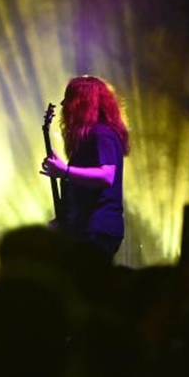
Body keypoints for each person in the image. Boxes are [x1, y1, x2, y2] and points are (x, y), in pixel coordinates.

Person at [41, 74, 130, 260]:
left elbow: (106, 176)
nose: (64, 104)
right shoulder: (92, 136)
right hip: (86, 226)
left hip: (96, 228)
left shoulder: (101, 134)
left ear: (81, 103)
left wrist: (65, 171)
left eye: (69, 99)